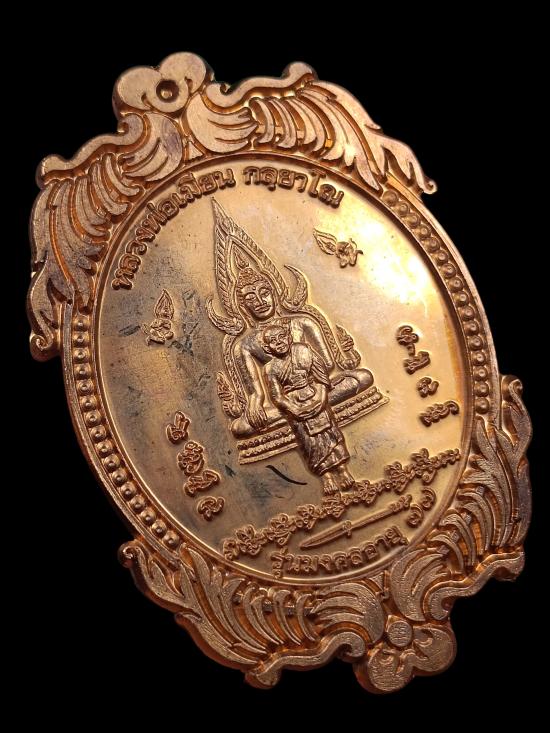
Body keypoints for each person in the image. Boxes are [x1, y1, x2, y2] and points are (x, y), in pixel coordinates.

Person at [261, 321, 355, 495]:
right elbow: (276, 396)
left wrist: (320, 399)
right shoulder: (269, 368)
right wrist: (294, 409)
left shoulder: (303, 350)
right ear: (267, 348)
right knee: (309, 441)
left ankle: (342, 469)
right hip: (294, 405)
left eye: (282, 337)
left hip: (315, 394)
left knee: (330, 433)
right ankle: (326, 476)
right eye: (273, 341)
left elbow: (321, 376)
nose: (279, 342)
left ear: (289, 337)